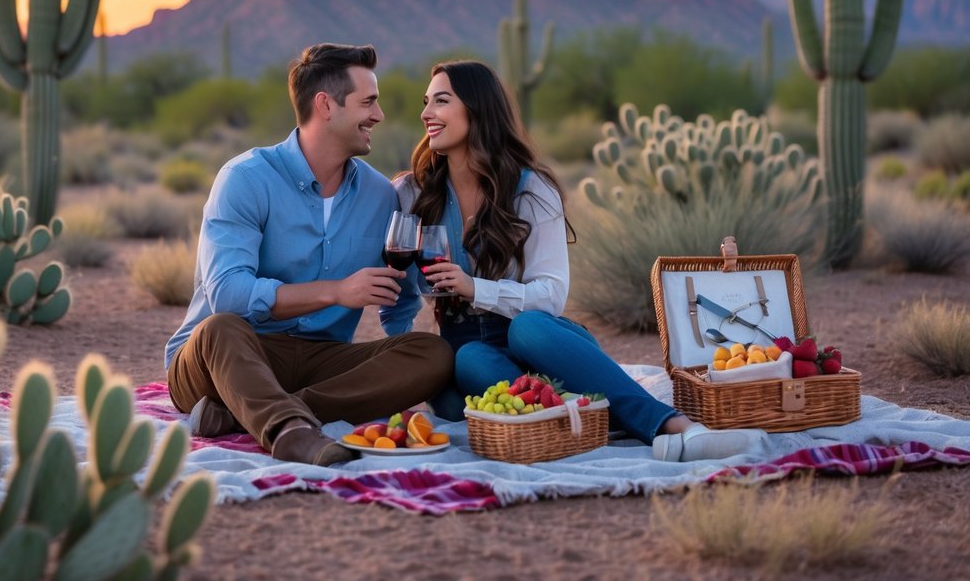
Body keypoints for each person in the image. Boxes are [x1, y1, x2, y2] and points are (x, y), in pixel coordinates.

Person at [394, 60, 761, 461]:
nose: (426, 113)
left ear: (477, 109)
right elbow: (397, 291)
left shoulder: (531, 190)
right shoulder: (413, 193)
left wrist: (472, 287)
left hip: (545, 343)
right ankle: (587, 414)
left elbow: (550, 296)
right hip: (470, 355)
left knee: (528, 327)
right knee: (464, 366)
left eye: (441, 101)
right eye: (426, 102)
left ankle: (678, 428)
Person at [164, 43, 454, 467]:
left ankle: (252, 411)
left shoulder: (379, 196)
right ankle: (292, 433)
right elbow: (227, 293)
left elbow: (401, 296)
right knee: (218, 327)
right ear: (325, 105)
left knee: (433, 354)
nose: (379, 116)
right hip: (228, 358)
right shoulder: (245, 179)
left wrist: (395, 361)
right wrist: (335, 292)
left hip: (321, 360)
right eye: (368, 102)